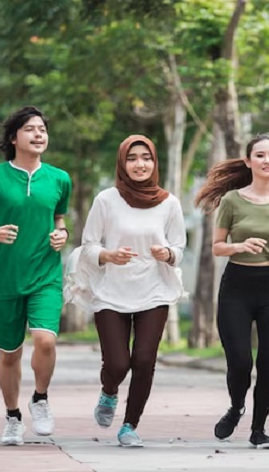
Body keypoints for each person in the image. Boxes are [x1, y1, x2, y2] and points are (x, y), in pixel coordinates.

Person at [0, 106, 72, 446]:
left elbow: (59, 219)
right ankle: (12, 417)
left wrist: (62, 234)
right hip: (5, 279)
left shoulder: (59, 179)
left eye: (42, 129)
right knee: (9, 353)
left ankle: (40, 397)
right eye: (30, 129)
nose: (39, 134)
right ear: (13, 137)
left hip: (45, 275)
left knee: (46, 340)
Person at [194, 133, 269, 450]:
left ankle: (259, 429)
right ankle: (236, 406)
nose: (266, 160)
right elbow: (216, 247)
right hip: (236, 288)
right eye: (260, 155)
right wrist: (239, 246)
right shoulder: (231, 201)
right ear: (248, 161)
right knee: (240, 361)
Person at [77, 135, 186, 447]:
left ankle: (129, 425)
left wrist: (167, 254)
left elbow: (178, 246)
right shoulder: (106, 200)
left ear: (155, 162)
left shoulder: (170, 203)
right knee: (117, 364)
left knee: (143, 359)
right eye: (133, 158)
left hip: (154, 289)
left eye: (147, 158)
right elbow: (88, 246)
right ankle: (109, 391)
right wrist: (108, 255)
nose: (140, 164)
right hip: (111, 290)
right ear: (122, 163)